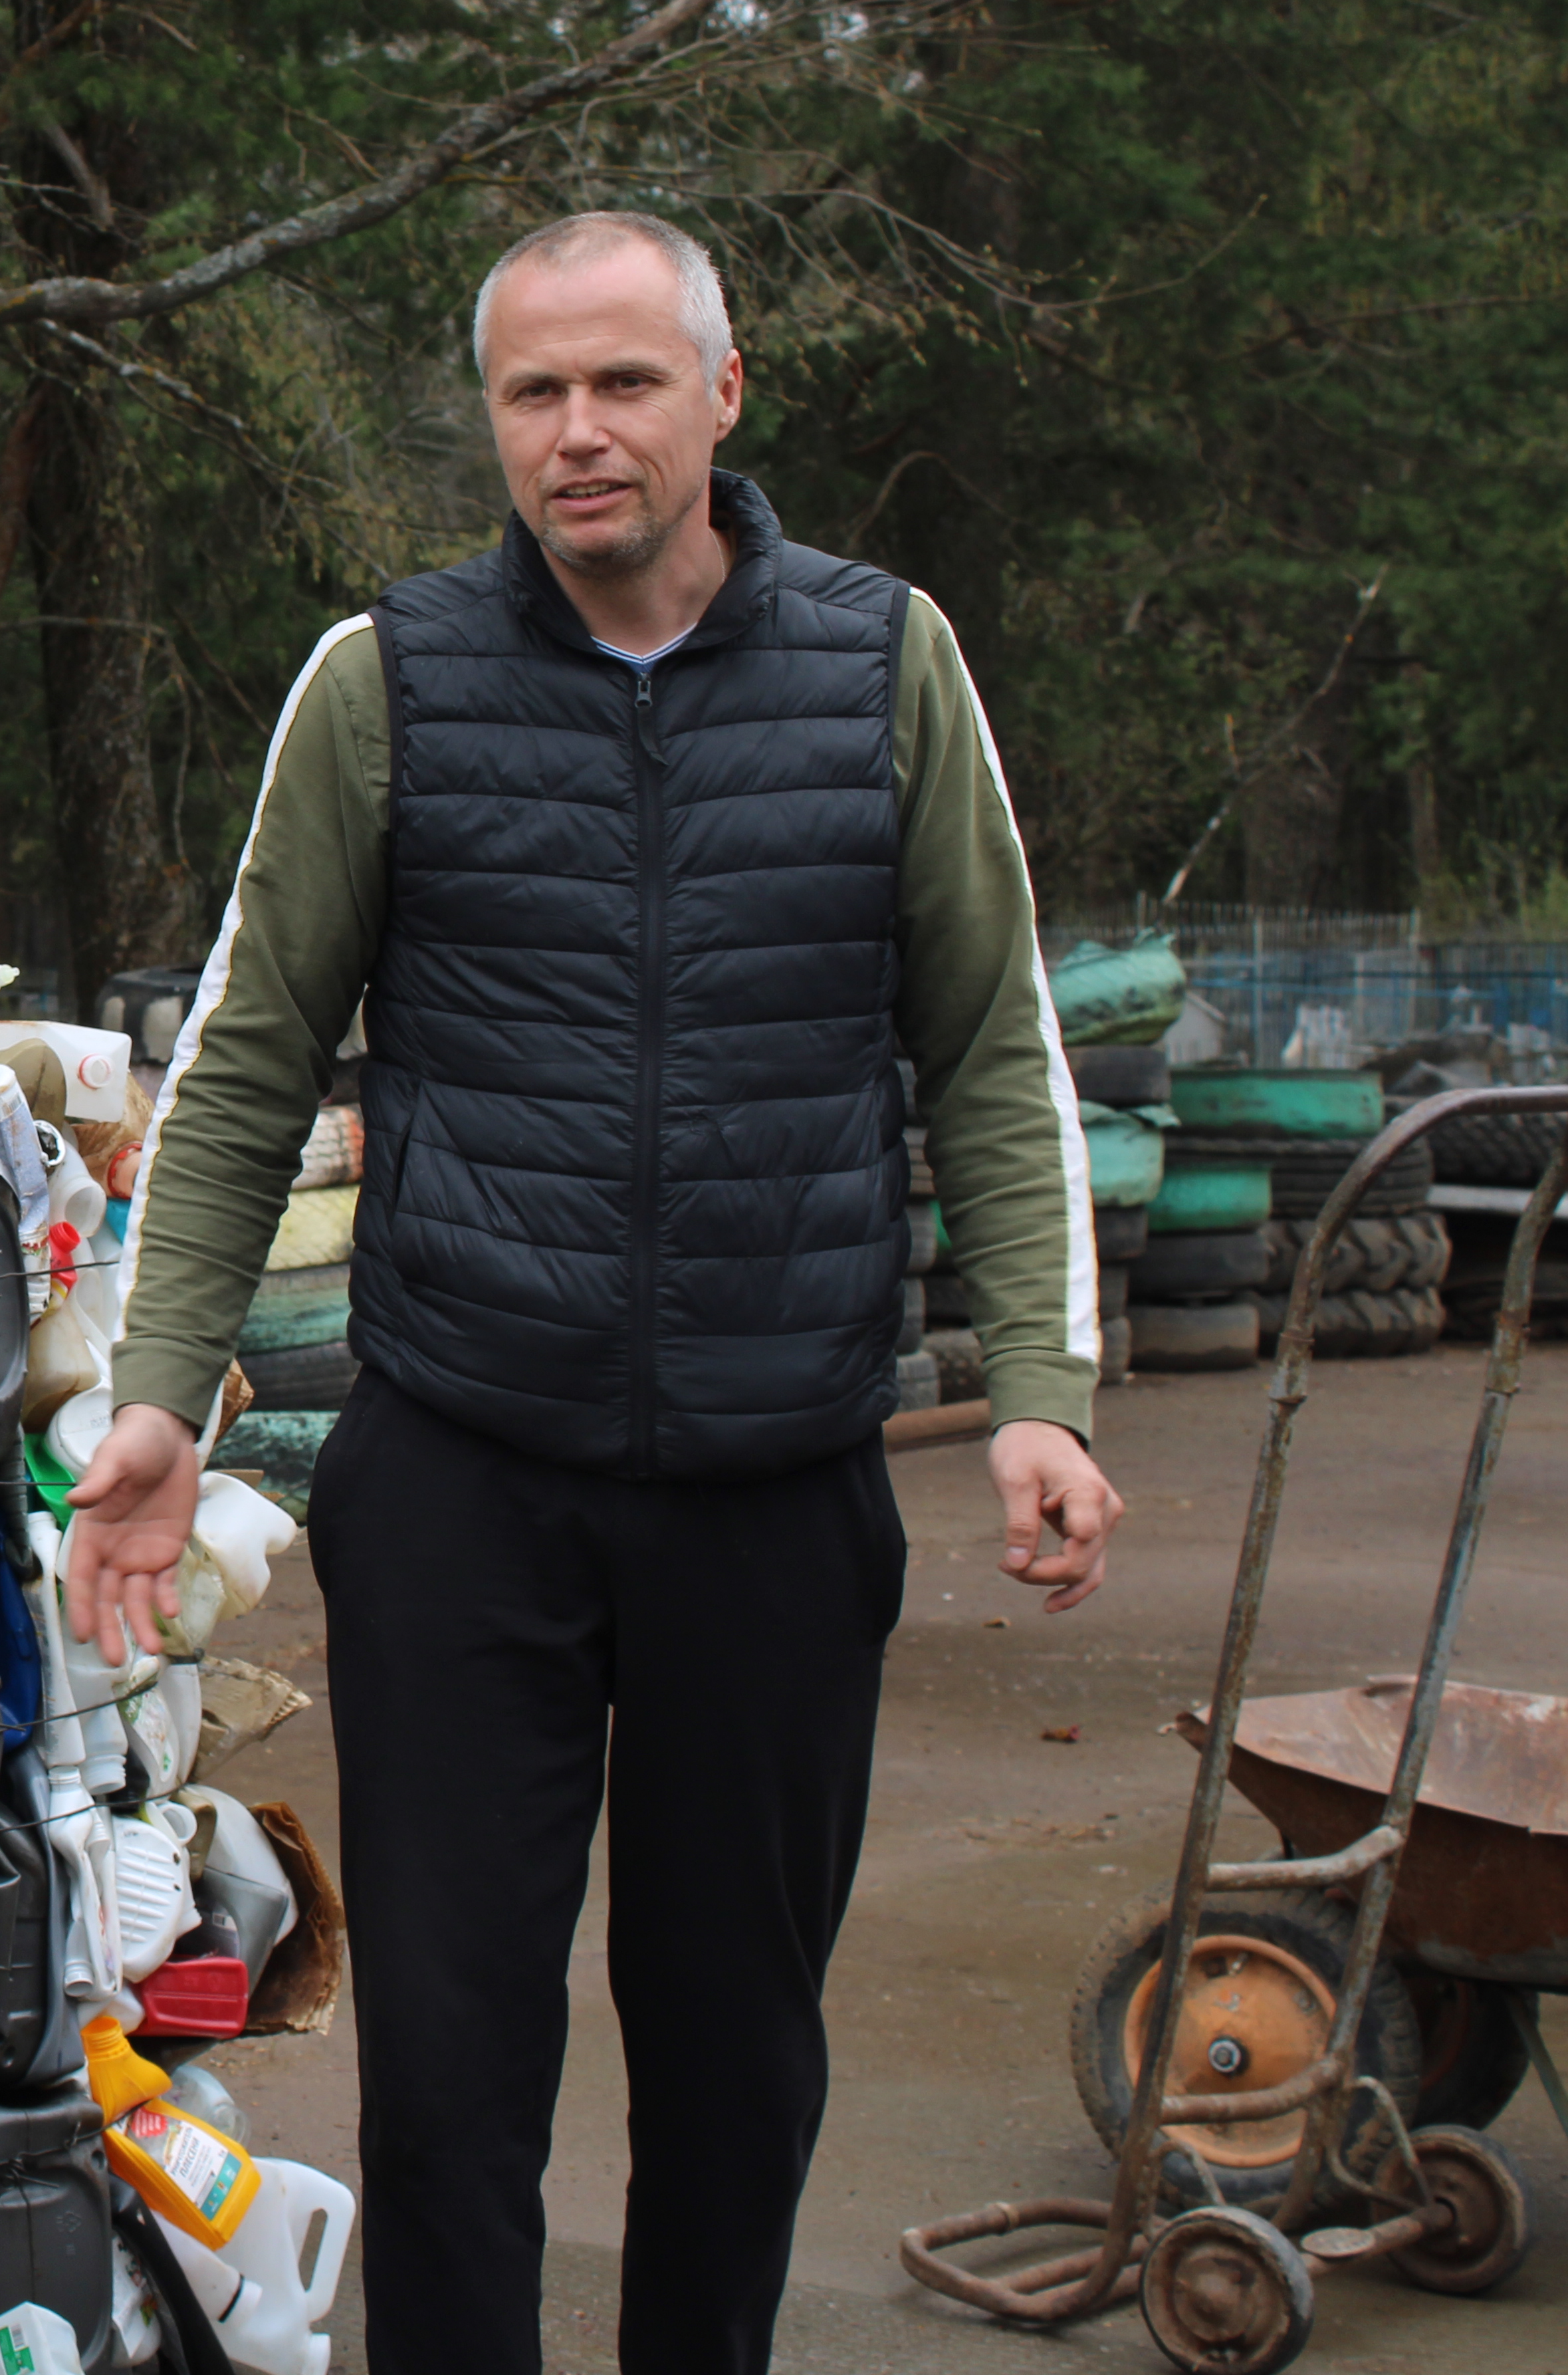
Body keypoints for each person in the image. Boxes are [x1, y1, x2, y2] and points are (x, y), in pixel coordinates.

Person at [64, 210, 1123, 2375]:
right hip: (467, 1474)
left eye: (625, 382)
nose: (579, 433)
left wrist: (1043, 1380)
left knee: (738, 2065)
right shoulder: (391, 682)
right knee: (455, 2070)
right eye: (535, 391)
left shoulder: (879, 662)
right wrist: (163, 1388)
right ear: (494, 420)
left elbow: (991, 1040)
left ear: (723, 399)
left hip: (778, 1475)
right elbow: (253, 1055)